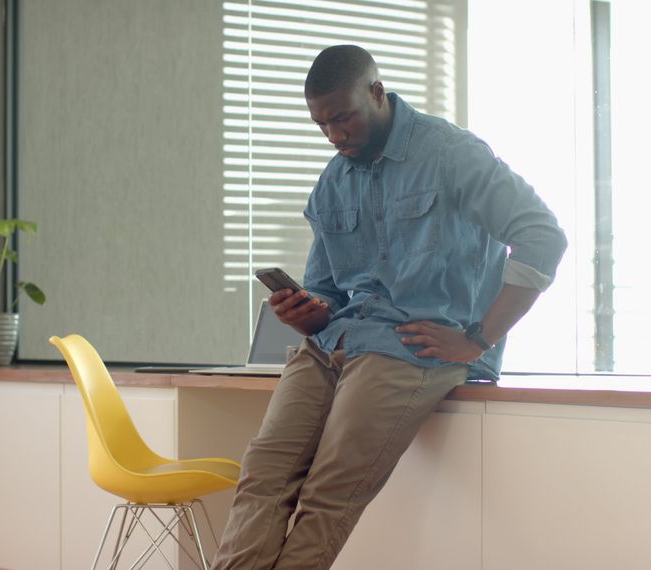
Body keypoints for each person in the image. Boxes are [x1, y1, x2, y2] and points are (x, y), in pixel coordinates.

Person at [211, 45, 567, 570]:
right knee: (261, 475)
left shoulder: (450, 153)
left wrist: (477, 339)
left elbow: (542, 236)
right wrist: (308, 311)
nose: (333, 135)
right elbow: (327, 290)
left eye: (342, 118)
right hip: (335, 342)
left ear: (376, 93)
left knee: (327, 494)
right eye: (321, 124)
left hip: (410, 348)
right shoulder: (334, 179)